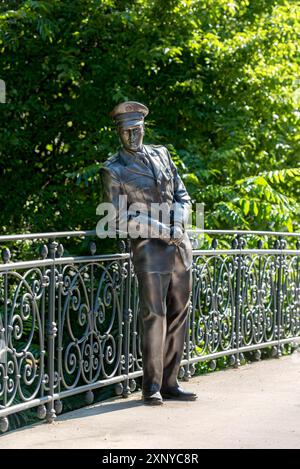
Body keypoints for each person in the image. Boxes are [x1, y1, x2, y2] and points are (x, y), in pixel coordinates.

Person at [100, 101, 197, 405]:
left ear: (143, 127)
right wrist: (159, 228)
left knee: (180, 313)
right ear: (118, 133)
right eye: (127, 132)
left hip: (180, 245)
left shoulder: (162, 154)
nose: (132, 137)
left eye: (137, 130)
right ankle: (151, 385)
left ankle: (171, 382)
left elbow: (183, 196)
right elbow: (116, 218)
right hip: (148, 249)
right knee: (155, 315)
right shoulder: (113, 169)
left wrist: (178, 222)